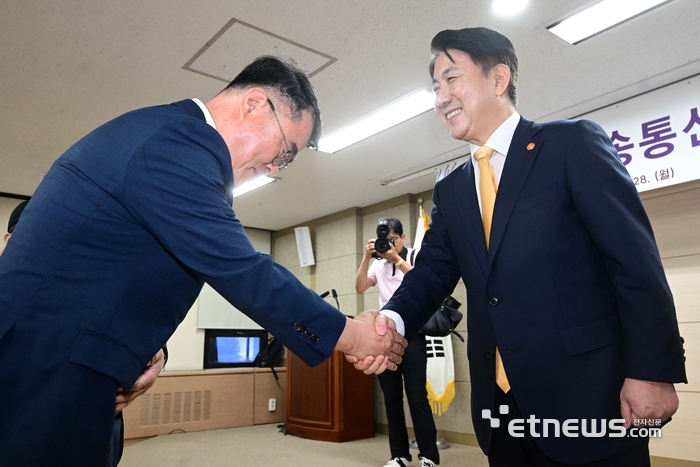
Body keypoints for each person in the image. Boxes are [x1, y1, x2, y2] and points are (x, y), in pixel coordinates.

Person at [0, 56, 406, 467]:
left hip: (69, 367)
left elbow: (117, 271)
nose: (273, 167)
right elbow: (244, 270)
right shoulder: (175, 142)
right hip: (39, 369)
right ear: (254, 103)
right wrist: (353, 336)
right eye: (284, 153)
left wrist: (145, 349)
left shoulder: (171, 142)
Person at [353, 28, 687, 466]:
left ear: (498, 79)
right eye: (436, 87)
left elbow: (635, 263)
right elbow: (433, 273)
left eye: (452, 80)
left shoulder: (570, 146)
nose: (440, 98)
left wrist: (652, 371)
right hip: (501, 414)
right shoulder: (451, 190)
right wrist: (390, 321)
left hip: (587, 398)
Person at [2, 199, 164, 466]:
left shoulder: (98, 291)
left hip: (94, 440)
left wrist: (157, 352)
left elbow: (141, 323)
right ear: (11, 242)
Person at [356, 218, 439, 467]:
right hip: (385, 336)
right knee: (391, 397)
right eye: (385, 240)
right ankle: (399, 455)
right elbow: (360, 287)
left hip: (413, 334)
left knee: (417, 397)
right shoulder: (378, 264)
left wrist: (396, 259)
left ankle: (429, 456)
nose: (389, 244)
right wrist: (366, 258)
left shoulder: (414, 255)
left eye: (393, 239)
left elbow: (423, 283)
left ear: (403, 238)